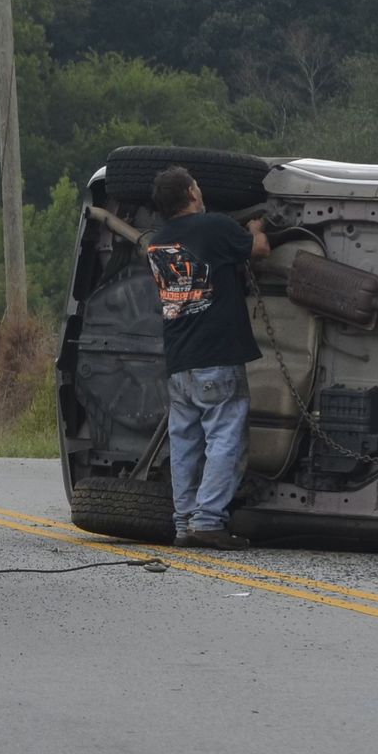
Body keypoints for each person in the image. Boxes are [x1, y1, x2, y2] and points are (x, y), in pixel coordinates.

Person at [144, 165, 268, 549]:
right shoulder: (214, 226)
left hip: (180, 361)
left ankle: (183, 523)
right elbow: (260, 251)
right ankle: (209, 520)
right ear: (192, 194)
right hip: (217, 356)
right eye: (197, 186)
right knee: (225, 437)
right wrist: (256, 228)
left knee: (184, 443)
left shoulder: (158, 243)